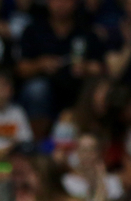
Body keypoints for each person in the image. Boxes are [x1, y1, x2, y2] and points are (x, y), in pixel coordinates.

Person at [16, 0, 105, 138]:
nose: (61, 4)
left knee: (98, 90)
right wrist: (40, 64)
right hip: (46, 90)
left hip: (78, 89)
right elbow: (21, 69)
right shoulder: (34, 30)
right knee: (37, 89)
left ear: (75, 3)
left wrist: (85, 67)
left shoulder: (86, 30)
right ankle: (38, 143)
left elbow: (100, 68)